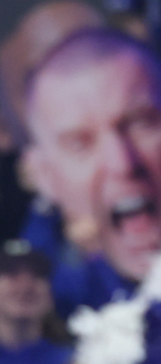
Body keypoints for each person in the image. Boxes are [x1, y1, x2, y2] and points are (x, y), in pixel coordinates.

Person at [21, 29, 161, 315]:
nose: (122, 163)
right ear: (43, 175)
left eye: (142, 123)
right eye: (79, 143)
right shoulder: (59, 294)